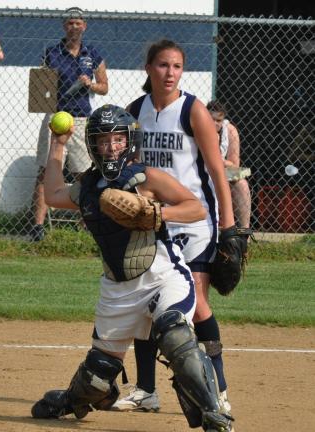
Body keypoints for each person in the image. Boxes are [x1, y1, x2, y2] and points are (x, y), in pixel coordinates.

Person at [30, 104, 233, 432]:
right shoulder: (89, 186)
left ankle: (215, 415)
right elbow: (53, 194)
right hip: (118, 290)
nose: (110, 147)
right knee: (97, 376)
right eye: (102, 141)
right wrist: (59, 144)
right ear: (93, 146)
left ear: (130, 141)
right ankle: (72, 398)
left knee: (175, 334)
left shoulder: (146, 177)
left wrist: (157, 213)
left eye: (118, 139)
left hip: (162, 276)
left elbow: (195, 208)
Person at [112, 40, 236, 422]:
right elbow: (132, 169)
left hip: (195, 219)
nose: (170, 73)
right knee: (147, 300)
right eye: (163, 65)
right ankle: (147, 391)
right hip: (155, 219)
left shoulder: (193, 109)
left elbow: (217, 171)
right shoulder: (137, 112)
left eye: (178, 66)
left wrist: (229, 226)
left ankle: (219, 389)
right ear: (148, 68)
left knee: (196, 305)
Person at [30, 7, 108, 241]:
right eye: (70, 23)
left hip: (81, 118)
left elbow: (104, 87)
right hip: (55, 117)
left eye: (78, 23)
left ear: (84, 26)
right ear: (64, 26)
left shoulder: (92, 53)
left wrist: (90, 84)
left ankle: (86, 224)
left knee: (83, 174)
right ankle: (37, 227)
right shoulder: (52, 52)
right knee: (45, 171)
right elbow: (41, 86)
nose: (74, 26)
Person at [207, 100, 252, 229]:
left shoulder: (230, 131)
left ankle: (244, 232)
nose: (215, 124)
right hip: (200, 171)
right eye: (211, 119)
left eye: (218, 120)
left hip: (221, 172)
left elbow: (235, 166)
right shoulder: (198, 126)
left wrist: (218, 160)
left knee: (242, 184)